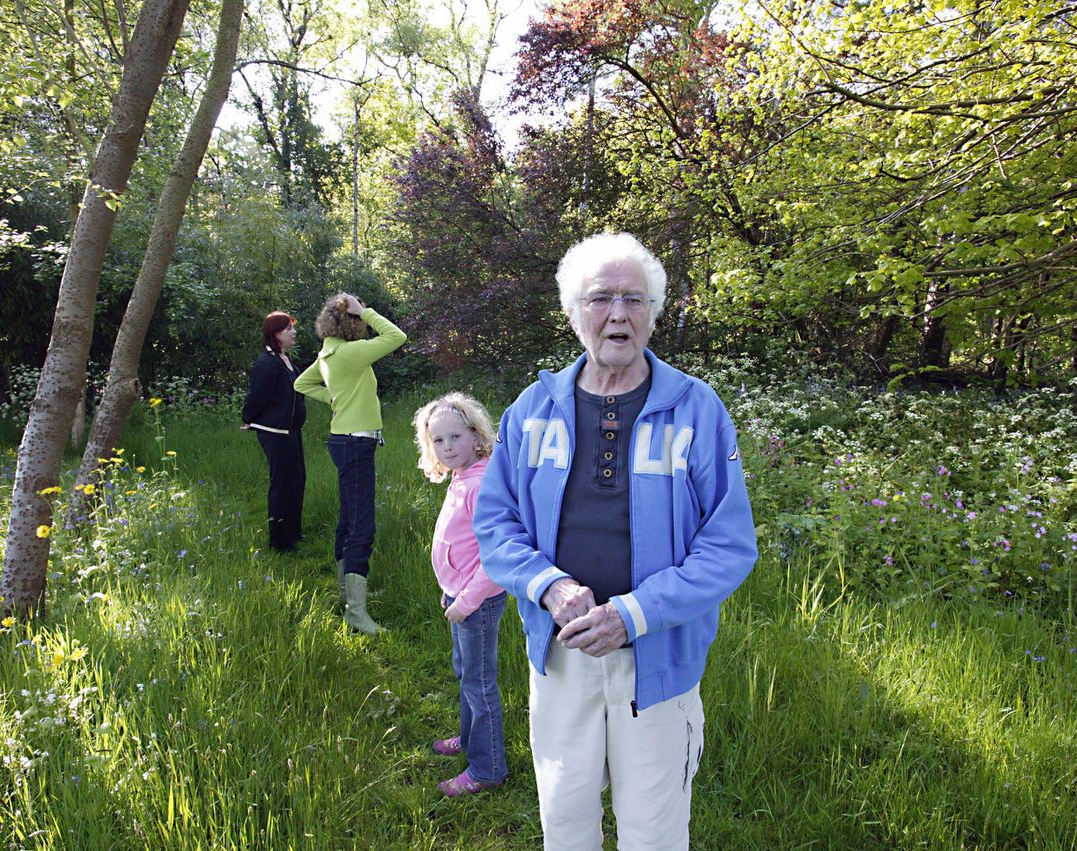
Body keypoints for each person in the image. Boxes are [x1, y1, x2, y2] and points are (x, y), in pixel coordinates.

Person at [475, 232, 758, 850]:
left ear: (654, 313)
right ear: (573, 311)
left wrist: (634, 614)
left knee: (653, 832)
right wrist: (549, 588)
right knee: (566, 825)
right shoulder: (532, 409)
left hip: (659, 662)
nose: (619, 314)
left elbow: (730, 543)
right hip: (560, 652)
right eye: (601, 298)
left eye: (635, 299)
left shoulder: (697, 409)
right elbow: (495, 525)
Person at [413, 392, 509, 797]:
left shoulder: (481, 483)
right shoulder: (462, 476)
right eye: (439, 441)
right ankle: (471, 742)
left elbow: (496, 555)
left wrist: (467, 599)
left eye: (456, 437)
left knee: (479, 682)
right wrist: (451, 590)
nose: (448, 447)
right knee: (465, 673)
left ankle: (487, 770)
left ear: (476, 436)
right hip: (460, 597)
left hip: (478, 602)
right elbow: (462, 547)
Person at [294, 293, 406, 634]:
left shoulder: (327, 354)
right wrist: (367, 311)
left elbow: (302, 383)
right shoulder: (351, 353)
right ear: (353, 324)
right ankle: (356, 612)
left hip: (343, 440)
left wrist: (335, 400)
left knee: (348, 517)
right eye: (358, 320)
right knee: (362, 525)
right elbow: (396, 337)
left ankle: (348, 593)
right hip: (356, 443)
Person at [241, 311, 307, 553]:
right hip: (274, 431)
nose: (294, 332)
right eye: (289, 329)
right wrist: (248, 419)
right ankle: (280, 542)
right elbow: (257, 396)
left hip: (291, 430)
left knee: (298, 479)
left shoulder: (285, 359)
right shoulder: (266, 363)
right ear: (276, 334)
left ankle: (293, 531)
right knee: (282, 483)